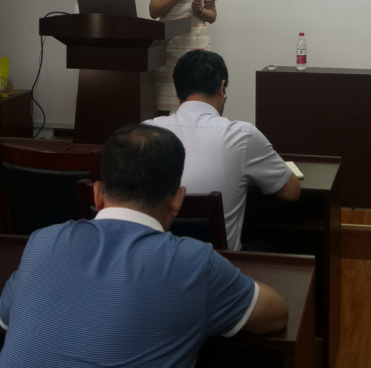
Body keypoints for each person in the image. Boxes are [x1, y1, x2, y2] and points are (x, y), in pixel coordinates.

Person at [0, 124, 288, 368]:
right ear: (177, 200)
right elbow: (275, 315)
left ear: (97, 194)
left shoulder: (41, 242)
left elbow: (7, 320)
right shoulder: (195, 264)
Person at [144, 50, 301, 251]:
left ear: (178, 94)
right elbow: (292, 192)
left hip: (159, 262)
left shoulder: (147, 132)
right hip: (220, 265)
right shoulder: (243, 135)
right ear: (221, 88)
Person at [150, 0, 218, 113]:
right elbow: (154, 11)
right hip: (168, 48)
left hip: (197, 47)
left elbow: (212, 16)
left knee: (197, 100)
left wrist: (200, 10)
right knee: (165, 106)